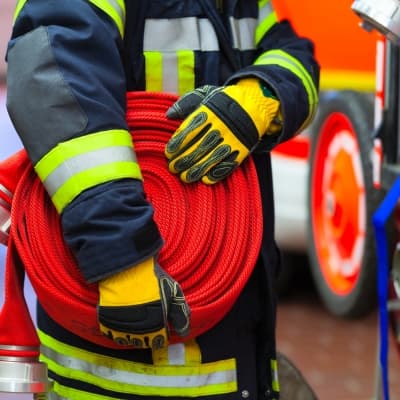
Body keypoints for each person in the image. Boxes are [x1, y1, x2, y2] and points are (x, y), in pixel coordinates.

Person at [5, 1, 319, 399]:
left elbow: (293, 52)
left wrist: (262, 92)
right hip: (112, 354)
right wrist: (121, 255)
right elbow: (55, 85)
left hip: (232, 346)